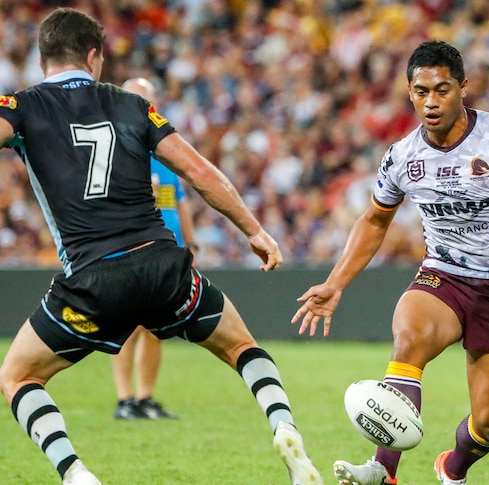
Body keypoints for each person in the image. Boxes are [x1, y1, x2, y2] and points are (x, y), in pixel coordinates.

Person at [0, 8, 322, 485]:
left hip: (92, 281)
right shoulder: (133, 106)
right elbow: (200, 173)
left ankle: (74, 473)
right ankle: (285, 430)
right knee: (243, 347)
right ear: (95, 56)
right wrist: (254, 231)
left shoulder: (19, 105)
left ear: (43, 56)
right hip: (163, 268)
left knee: (18, 377)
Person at [291, 40, 489, 485]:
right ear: (409, 91)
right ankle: (383, 470)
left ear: (463, 87)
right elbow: (374, 219)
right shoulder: (402, 156)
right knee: (409, 337)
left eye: (442, 90)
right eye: (421, 92)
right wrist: (336, 282)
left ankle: (452, 467)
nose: (431, 102)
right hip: (443, 277)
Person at [110, 77, 195, 421]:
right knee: (128, 326)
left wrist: (192, 244)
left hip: (167, 252)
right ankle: (125, 398)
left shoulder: (165, 147)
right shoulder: (118, 149)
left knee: (157, 328)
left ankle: (144, 397)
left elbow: (179, 201)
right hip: (128, 249)